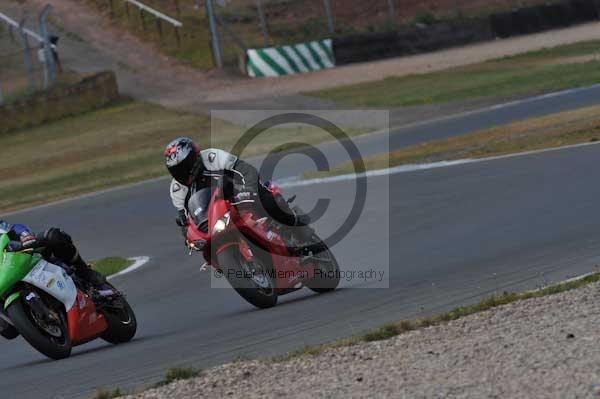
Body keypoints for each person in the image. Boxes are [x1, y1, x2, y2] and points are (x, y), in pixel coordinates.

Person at [164, 137, 314, 248]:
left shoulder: (212, 157)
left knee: (267, 201)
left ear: (195, 156)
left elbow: (245, 170)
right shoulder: (176, 189)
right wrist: (188, 236)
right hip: (214, 214)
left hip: (239, 192)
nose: (183, 173)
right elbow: (185, 220)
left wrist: (248, 190)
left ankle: (298, 227)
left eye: (185, 166)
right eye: (177, 171)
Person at [0, 220, 106, 287]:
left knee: (53, 236)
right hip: (4, 280)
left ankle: (84, 271)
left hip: (18, 256)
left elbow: (12, 229)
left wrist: (24, 235)